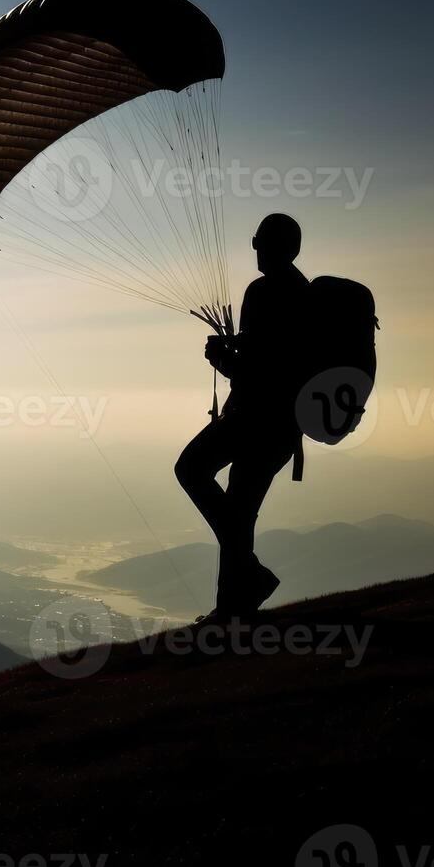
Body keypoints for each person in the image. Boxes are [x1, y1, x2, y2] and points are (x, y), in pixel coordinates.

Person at [175, 214, 313, 621]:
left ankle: (245, 581)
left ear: (273, 246)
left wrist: (222, 359)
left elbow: (257, 372)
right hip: (283, 430)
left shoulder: (264, 291)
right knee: (239, 510)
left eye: (258, 242)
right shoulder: (304, 293)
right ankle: (231, 610)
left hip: (253, 420)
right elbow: (276, 358)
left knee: (191, 469)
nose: (254, 249)